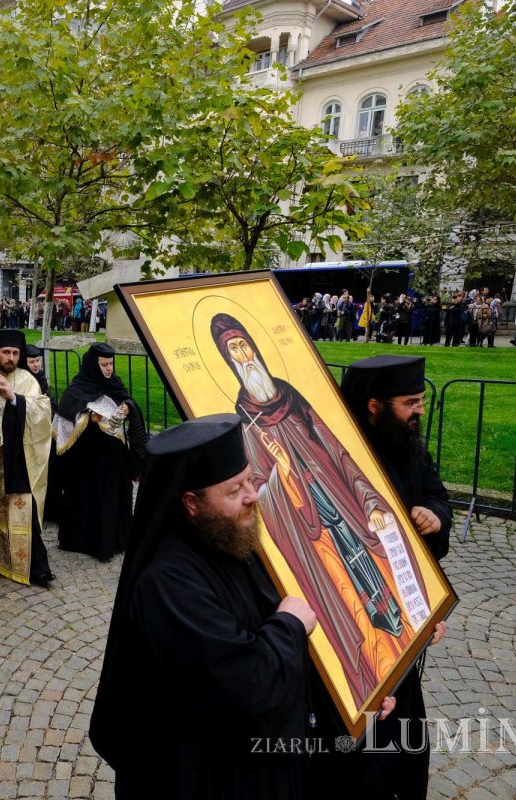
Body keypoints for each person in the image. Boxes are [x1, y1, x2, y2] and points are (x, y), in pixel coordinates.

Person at [89, 414, 318, 798]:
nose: (252, 495)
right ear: (192, 503)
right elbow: (244, 683)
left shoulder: (230, 537)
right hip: (203, 778)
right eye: (234, 490)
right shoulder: (166, 583)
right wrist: (289, 625)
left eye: (250, 480)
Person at [210, 313, 426, 704]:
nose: (244, 356)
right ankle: (369, 663)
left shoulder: (290, 395)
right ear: (228, 360)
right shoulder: (243, 419)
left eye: (245, 346)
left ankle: (401, 637)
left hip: (342, 501)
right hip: (306, 525)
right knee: (342, 591)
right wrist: (282, 475)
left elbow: (336, 449)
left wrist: (368, 500)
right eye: (234, 350)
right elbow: (255, 490)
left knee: (376, 569)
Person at [337, 355, 452, 800]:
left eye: (421, 400)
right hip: (357, 616)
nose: (420, 410)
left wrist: (435, 516)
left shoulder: (410, 447)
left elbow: (438, 497)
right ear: (374, 406)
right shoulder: (342, 454)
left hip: (406, 612)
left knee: (406, 737)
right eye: (410, 402)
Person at [0, 329, 55, 586]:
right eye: (6, 352)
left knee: (24, 511)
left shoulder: (26, 379)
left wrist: (14, 397)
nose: (11, 358)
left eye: (15, 353)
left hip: (18, 460)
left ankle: (34, 568)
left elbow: (42, 411)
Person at [53, 343, 147, 561]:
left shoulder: (114, 384)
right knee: (87, 497)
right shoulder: (78, 388)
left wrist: (128, 407)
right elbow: (65, 417)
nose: (109, 369)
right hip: (86, 458)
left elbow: (127, 400)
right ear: (93, 365)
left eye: (111, 364)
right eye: (104, 365)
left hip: (113, 455)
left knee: (112, 496)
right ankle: (84, 541)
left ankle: (114, 540)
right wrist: (89, 418)